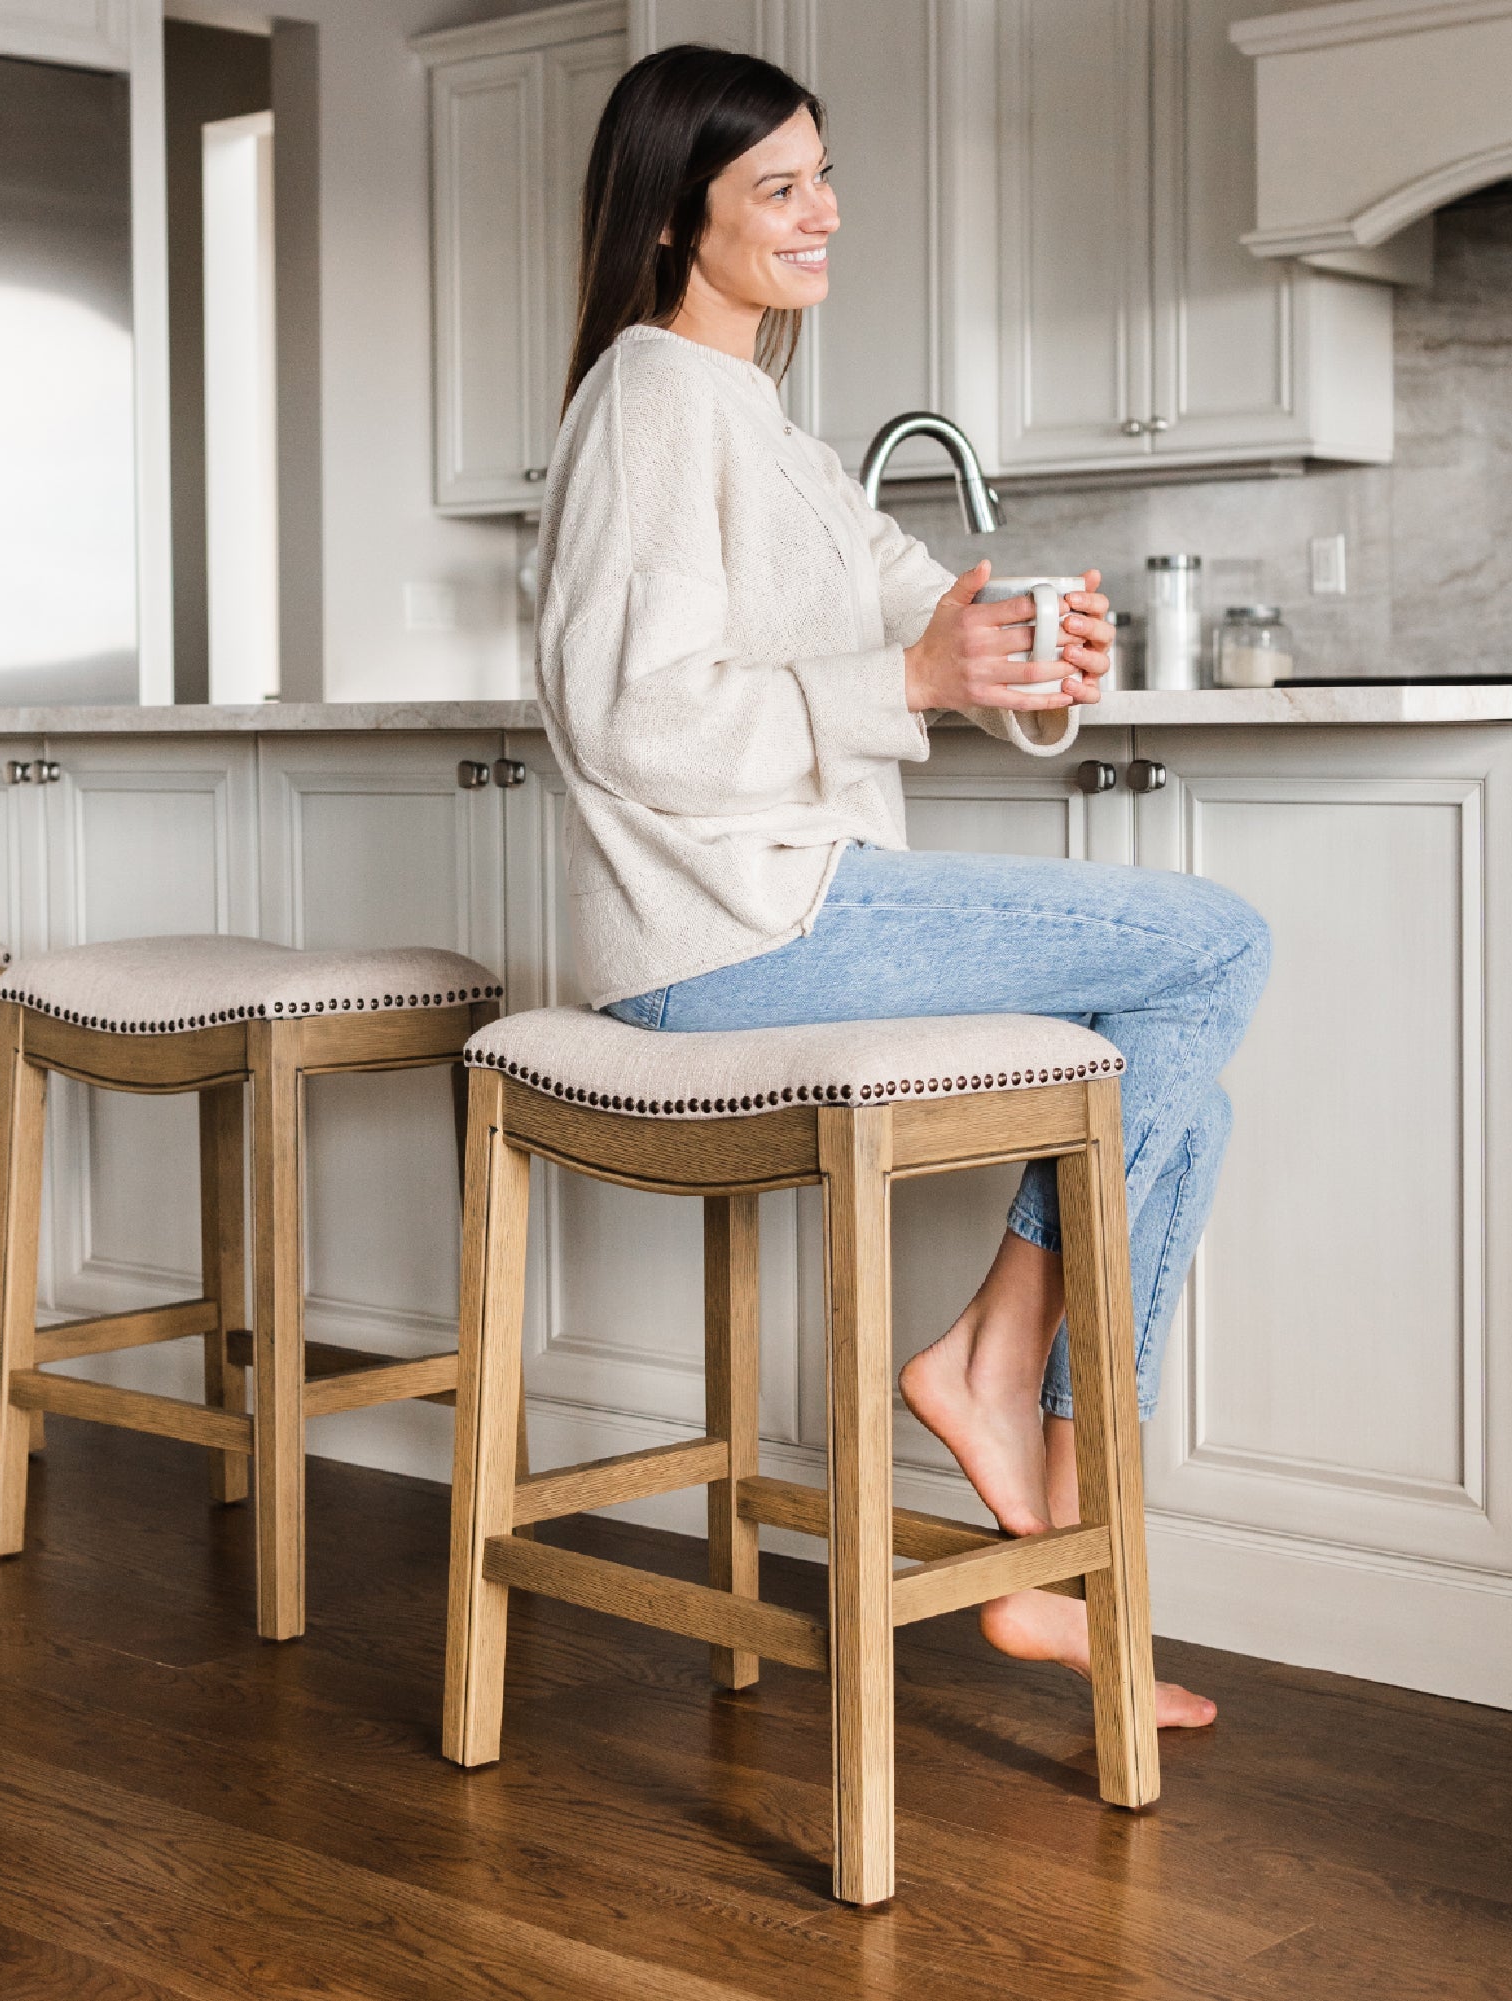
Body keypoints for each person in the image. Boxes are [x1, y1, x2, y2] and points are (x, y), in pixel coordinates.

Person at [533, 44, 1270, 1729]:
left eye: (821, 176)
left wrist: (1030, 654)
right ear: (672, 219)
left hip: (800, 901)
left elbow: (921, 610)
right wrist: (919, 685)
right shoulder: (650, 399)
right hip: (723, 934)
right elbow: (628, 714)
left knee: (1177, 1107)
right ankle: (1029, 1438)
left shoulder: (766, 427)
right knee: (1212, 938)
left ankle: (998, 1391)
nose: (822, 214)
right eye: (776, 188)